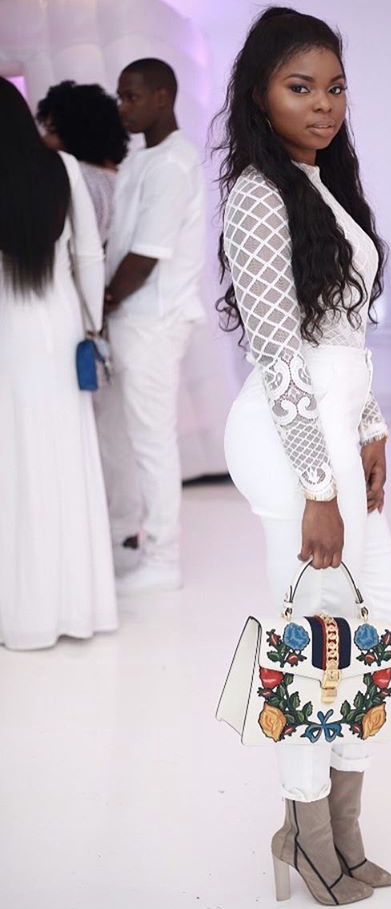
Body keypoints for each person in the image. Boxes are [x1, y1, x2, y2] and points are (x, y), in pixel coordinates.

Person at [215, 8, 391, 905]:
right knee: (311, 647)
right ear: (260, 93)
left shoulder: (321, 185)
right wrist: (318, 487)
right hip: (290, 444)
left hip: (334, 434)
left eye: (335, 88)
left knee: (378, 626)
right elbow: (279, 353)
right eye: (301, 87)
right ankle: (306, 832)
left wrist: (370, 424)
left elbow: (344, 334)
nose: (324, 105)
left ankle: (339, 827)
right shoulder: (257, 195)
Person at [0, 77, 118, 650]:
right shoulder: (64, 168)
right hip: (57, 323)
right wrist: (91, 325)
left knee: (11, 461)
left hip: (8, 325)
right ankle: (74, 605)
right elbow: (88, 256)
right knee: (64, 457)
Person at [103, 58, 206, 595]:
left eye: (131, 96)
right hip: (131, 319)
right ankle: (126, 541)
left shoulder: (173, 163)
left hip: (152, 322)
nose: (122, 107)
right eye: (120, 97)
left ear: (163, 97)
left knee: (150, 442)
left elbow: (145, 256)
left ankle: (163, 560)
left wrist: (101, 301)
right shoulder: (146, 158)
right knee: (120, 438)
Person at [36, 80, 129, 244]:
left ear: (77, 133)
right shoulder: (124, 176)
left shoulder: (76, 178)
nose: (44, 140)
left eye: (52, 131)